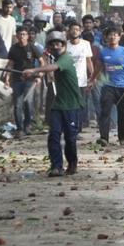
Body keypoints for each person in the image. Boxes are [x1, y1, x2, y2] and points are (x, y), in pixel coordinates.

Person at [22, 31, 84, 177]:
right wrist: (31, 74)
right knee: (54, 135)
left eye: (58, 44)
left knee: (70, 138)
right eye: (52, 44)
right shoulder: (54, 59)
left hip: (72, 104)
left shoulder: (65, 58)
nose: (56, 46)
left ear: (63, 45)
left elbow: (53, 68)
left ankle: (72, 163)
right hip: (58, 104)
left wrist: (34, 69)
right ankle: (56, 166)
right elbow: (46, 72)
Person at [90, 26, 124, 146]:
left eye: (115, 35)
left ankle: (122, 138)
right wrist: (91, 80)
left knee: (123, 114)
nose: (112, 37)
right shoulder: (103, 52)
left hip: (123, 87)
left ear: (119, 37)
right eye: (110, 35)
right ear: (106, 37)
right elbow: (98, 68)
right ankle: (104, 138)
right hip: (108, 86)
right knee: (105, 111)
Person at [5, 26, 43, 137]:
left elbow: (42, 62)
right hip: (17, 79)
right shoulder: (13, 49)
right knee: (17, 104)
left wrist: (39, 74)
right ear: (17, 36)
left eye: (24, 34)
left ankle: (28, 125)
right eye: (20, 34)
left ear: (27, 36)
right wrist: (7, 78)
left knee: (28, 102)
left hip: (30, 79)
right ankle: (19, 128)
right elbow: (10, 64)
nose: (22, 37)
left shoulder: (33, 47)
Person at [65, 22, 94, 128]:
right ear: (69, 31)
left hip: (82, 80)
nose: (74, 31)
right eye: (72, 29)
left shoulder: (85, 44)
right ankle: (70, 126)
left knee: (81, 104)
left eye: (77, 29)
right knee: (69, 105)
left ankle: (79, 126)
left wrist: (93, 76)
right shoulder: (65, 45)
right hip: (68, 80)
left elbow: (89, 61)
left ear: (80, 31)